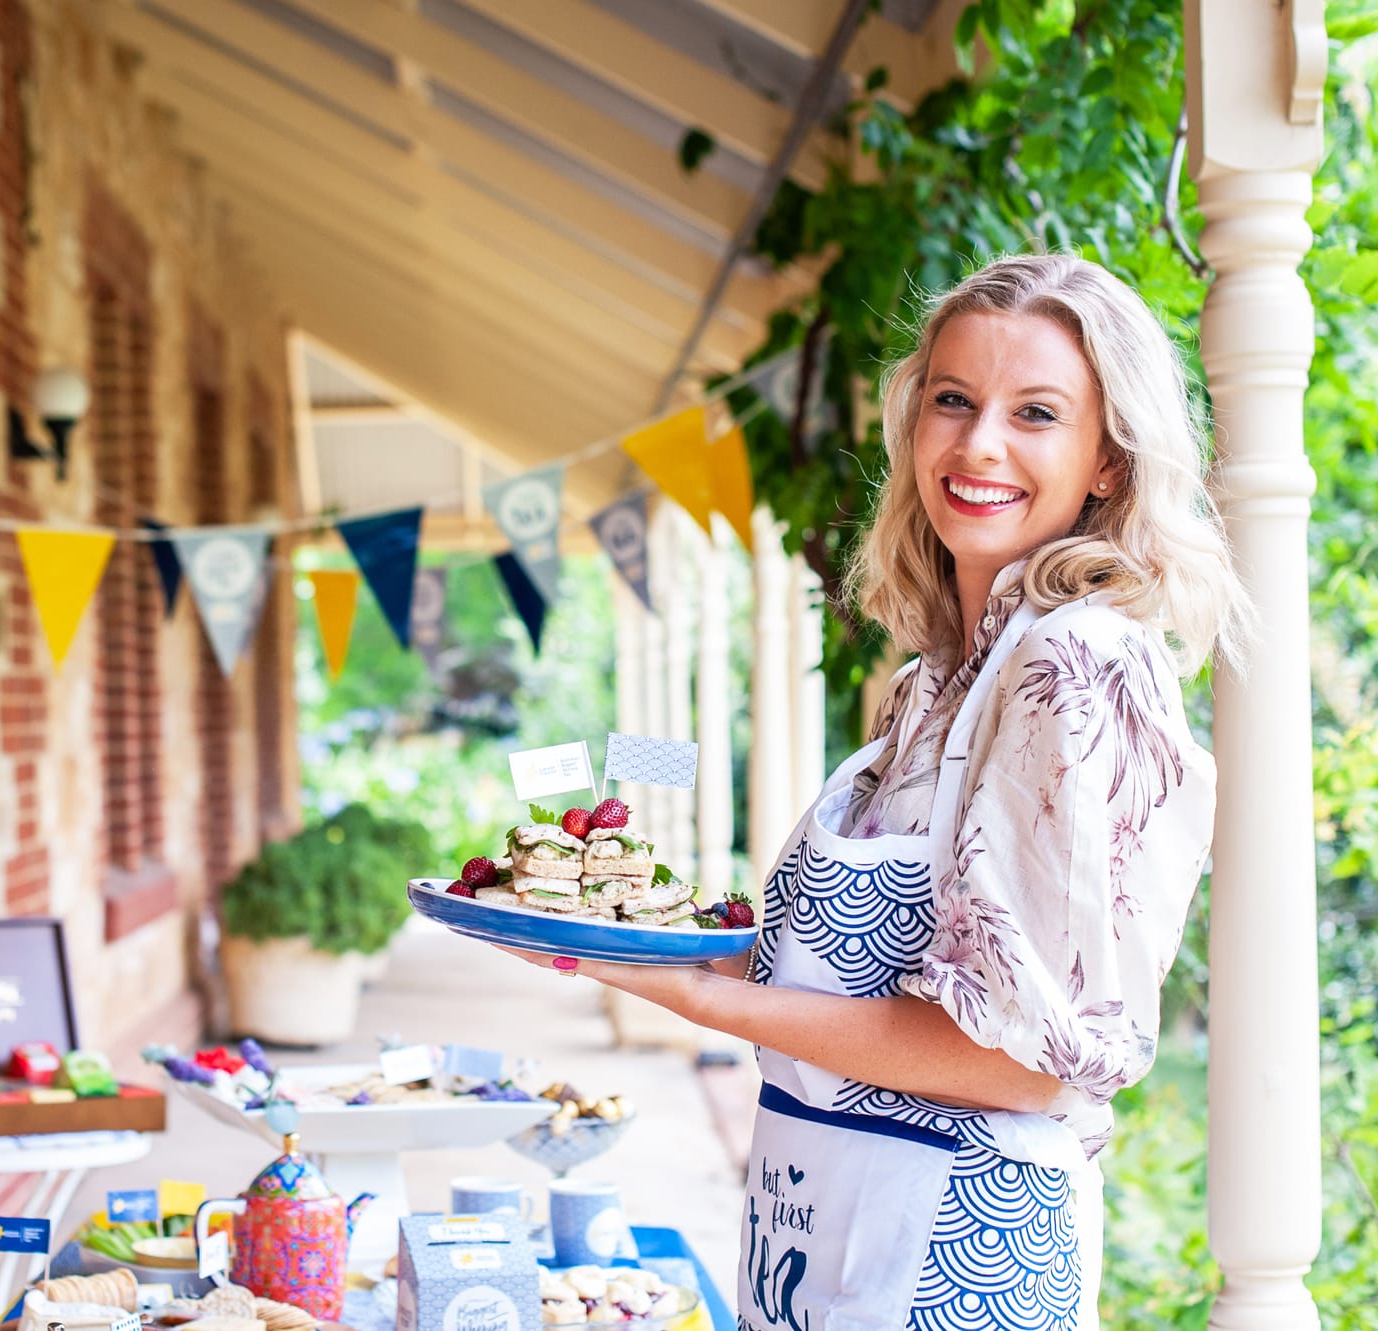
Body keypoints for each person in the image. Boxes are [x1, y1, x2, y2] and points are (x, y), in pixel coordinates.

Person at [506, 254, 1248, 1331]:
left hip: (955, 1262)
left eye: (1034, 412)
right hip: (831, 1240)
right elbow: (838, 972)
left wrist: (698, 999)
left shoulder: (1073, 665)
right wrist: (625, 932)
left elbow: (1020, 1062)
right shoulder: (931, 682)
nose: (977, 443)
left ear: (1106, 461)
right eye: (952, 399)